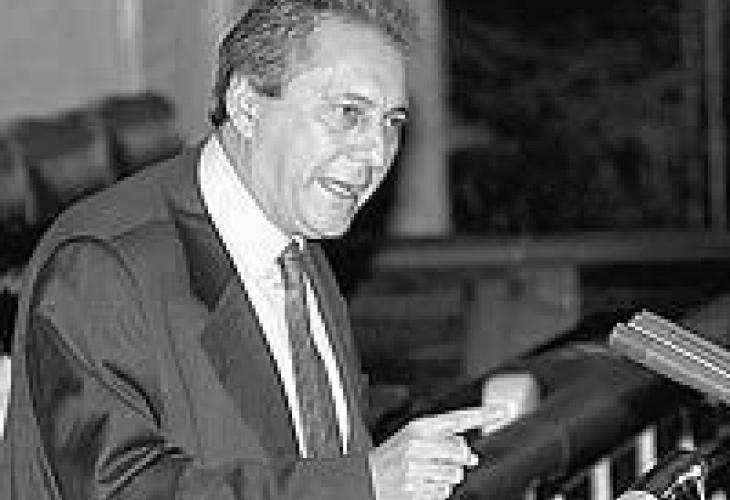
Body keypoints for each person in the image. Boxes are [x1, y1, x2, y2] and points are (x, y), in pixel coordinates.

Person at [2, 1, 511, 498]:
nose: (377, 153)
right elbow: (121, 489)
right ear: (246, 105)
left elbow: (303, 448)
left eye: (392, 122)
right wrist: (365, 482)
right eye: (349, 113)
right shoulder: (101, 263)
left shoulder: (295, 234)